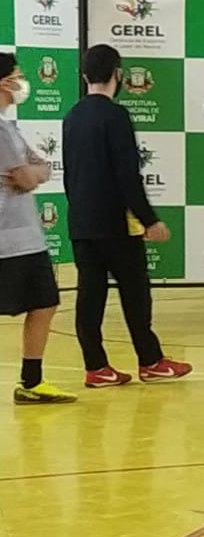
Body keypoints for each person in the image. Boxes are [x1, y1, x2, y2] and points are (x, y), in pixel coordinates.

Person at [62, 44, 190, 387]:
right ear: (118, 74)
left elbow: (69, 175)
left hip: (81, 223)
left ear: (85, 75)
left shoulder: (71, 116)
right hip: (116, 225)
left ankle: (96, 368)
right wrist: (150, 220)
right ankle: (150, 361)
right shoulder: (116, 116)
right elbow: (127, 175)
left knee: (90, 297)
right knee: (136, 294)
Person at [0, 55, 76, 404]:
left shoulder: (9, 126)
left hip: (26, 238)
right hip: (7, 239)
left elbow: (39, 168)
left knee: (44, 303)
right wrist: (28, 174)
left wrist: (30, 174)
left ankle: (32, 381)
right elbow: (27, 176)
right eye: (18, 76)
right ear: (4, 83)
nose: (23, 83)